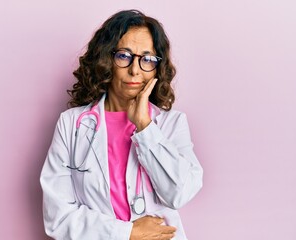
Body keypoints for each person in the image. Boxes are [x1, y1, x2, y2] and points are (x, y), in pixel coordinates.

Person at [40, 9, 203, 240]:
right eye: (124, 56)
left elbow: (179, 193)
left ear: (157, 67)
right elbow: (58, 217)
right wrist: (127, 233)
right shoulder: (71, 125)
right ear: (106, 59)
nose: (135, 70)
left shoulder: (170, 124)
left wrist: (146, 128)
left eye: (147, 59)